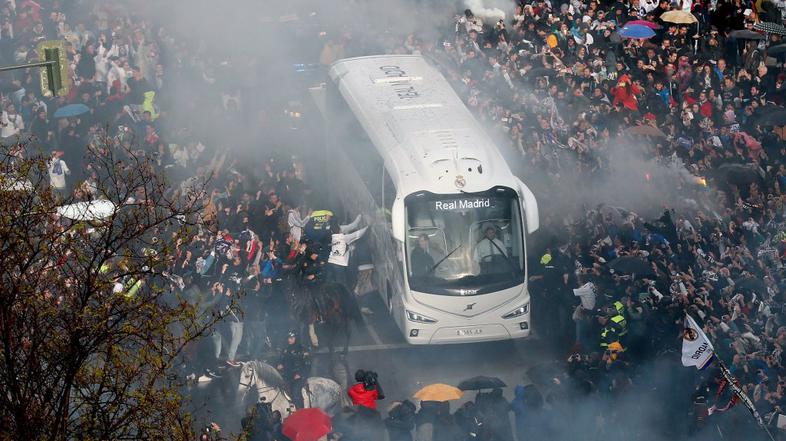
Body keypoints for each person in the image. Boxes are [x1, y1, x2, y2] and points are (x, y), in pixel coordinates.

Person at [326, 214, 368, 287]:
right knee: (344, 282)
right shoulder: (343, 238)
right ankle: (348, 292)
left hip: (334, 262)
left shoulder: (330, 231)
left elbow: (352, 226)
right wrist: (368, 227)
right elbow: (357, 234)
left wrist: (360, 216)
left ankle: (345, 290)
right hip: (339, 263)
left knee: (341, 281)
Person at [276, 330, 310, 409]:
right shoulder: (286, 349)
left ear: (296, 338)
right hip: (287, 375)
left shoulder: (302, 349)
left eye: (291, 338)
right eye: (288, 338)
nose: (289, 340)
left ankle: (300, 411)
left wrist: (300, 374)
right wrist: (279, 365)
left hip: (298, 376)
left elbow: (307, 365)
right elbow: (281, 361)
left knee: (295, 393)